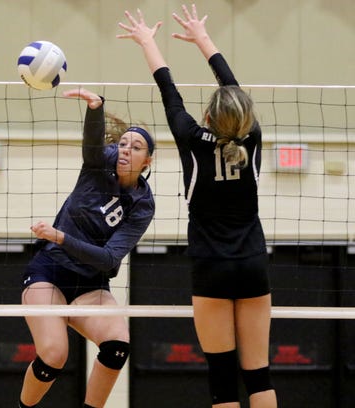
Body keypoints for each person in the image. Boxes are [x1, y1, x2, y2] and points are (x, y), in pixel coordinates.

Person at [118, 5, 277, 408]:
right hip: (252, 261)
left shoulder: (191, 138)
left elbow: (167, 89)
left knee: (222, 379)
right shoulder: (251, 137)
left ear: (206, 117)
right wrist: (204, 40)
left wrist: (147, 41)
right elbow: (232, 90)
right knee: (258, 375)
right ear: (243, 118)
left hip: (211, 265)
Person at [18, 88, 155, 408]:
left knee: (118, 345)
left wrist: (61, 236)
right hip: (49, 272)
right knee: (53, 355)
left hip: (91, 282)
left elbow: (109, 259)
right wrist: (96, 108)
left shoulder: (143, 205)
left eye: (135, 147)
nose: (125, 150)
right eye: (123, 143)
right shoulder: (101, 161)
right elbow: (91, 148)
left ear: (147, 160)